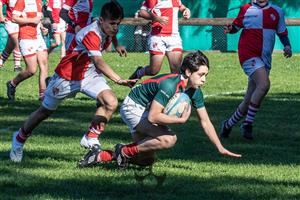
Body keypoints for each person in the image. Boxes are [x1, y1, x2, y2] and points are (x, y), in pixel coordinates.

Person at [9, 1, 137, 163]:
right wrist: (118, 79)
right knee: (45, 112)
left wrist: (117, 45)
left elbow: (110, 37)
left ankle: (90, 136)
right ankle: (19, 138)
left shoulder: (107, 28)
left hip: (89, 75)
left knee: (110, 102)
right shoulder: (92, 33)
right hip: (66, 77)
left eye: (118, 24)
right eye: (112, 24)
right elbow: (98, 61)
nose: (115, 28)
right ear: (101, 20)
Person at [78, 51, 241, 168]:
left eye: (206, 75)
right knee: (169, 139)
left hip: (145, 109)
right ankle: (123, 150)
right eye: (201, 75)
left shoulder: (195, 91)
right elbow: (154, 117)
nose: (204, 80)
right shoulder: (170, 85)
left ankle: (100, 156)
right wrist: (180, 120)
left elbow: (205, 121)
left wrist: (220, 147)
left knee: (145, 160)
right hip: (134, 107)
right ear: (188, 71)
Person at [220, 0, 292, 140]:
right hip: (248, 55)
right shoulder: (246, 9)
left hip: (265, 58)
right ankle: (248, 124)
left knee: (248, 100)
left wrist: (287, 46)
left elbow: (282, 32)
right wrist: (230, 29)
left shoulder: (277, 11)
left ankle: (228, 125)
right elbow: (236, 26)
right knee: (264, 84)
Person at [128, 0, 191, 81]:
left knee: (176, 71)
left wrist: (186, 10)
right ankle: (139, 72)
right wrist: (157, 18)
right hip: (157, 37)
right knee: (154, 70)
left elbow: (181, 7)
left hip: (174, 37)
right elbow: (142, 12)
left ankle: (174, 92)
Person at [6, 0, 49, 102]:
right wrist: (31, 20)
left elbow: (37, 20)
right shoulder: (22, 1)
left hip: (38, 37)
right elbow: (14, 18)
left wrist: (42, 27)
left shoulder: (39, 1)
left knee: (44, 65)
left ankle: (43, 95)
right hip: (26, 37)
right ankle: (12, 83)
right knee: (31, 70)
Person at [0, 0, 22, 72]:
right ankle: (17, 66)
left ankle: (1, 60)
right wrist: (1, 17)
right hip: (10, 21)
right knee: (16, 41)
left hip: (22, 21)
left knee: (11, 45)